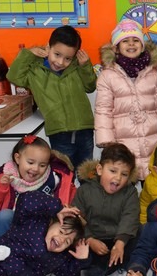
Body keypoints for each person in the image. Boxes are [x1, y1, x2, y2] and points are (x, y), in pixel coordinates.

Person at [94, 18, 157, 181]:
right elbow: (103, 110)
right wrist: (107, 141)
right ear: (116, 47)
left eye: (135, 40)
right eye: (125, 41)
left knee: (153, 186)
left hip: (152, 139)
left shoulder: (152, 73)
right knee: (126, 185)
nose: (131, 44)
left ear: (142, 45)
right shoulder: (107, 75)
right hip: (123, 142)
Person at [8, 25, 98, 171]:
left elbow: (90, 86)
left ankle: (85, 194)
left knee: (87, 173)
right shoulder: (35, 70)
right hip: (58, 132)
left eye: (68, 58)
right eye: (57, 54)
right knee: (63, 173)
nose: (60, 62)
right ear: (48, 48)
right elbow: (14, 77)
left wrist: (85, 65)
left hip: (85, 129)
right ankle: (65, 194)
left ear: (74, 56)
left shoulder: (77, 67)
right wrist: (28, 54)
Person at [0, 135, 76, 238]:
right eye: (30, 162)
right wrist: (0, 187)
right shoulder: (9, 177)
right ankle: (0, 248)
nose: (35, 168)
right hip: (14, 226)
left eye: (42, 165)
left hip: (41, 228)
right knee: (4, 216)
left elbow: (69, 195)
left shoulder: (54, 179)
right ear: (17, 158)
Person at [73, 143, 141, 276]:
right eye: (113, 171)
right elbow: (77, 217)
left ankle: (110, 267)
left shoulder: (130, 192)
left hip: (121, 238)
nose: (118, 178)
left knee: (143, 234)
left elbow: (130, 217)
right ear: (99, 169)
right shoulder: (84, 190)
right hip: (93, 239)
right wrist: (90, 239)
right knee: (75, 247)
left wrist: (120, 243)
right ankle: (105, 266)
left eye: (124, 174)